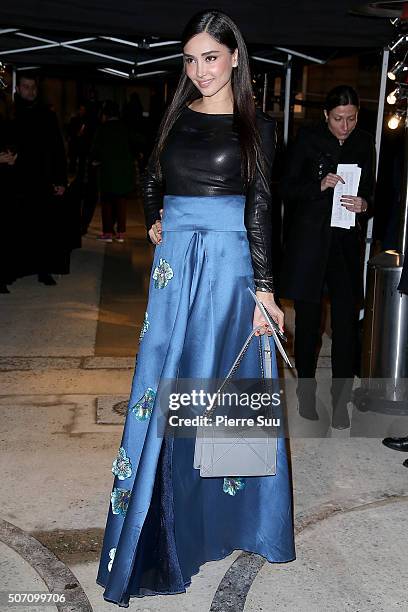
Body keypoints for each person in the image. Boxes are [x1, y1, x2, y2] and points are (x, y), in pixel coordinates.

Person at [96, 9, 295, 606]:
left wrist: (265, 289)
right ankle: (164, 512)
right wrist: (157, 217)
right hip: (174, 268)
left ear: (235, 56)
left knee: (224, 390)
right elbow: (151, 174)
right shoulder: (176, 116)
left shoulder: (255, 124)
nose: (200, 69)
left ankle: (234, 519)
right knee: (164, 386)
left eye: (211, 57)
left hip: (230, 268)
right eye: (190, 59)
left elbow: (260, 209)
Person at [280, 85, 376, 429]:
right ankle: (306, 394)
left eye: (351, 119)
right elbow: (286, 188)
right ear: (326, 115)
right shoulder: (306, 139)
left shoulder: (364, 142)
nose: (345, 126)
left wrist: (365, 204)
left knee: (347, 326)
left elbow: (373, 191)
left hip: (345, 245)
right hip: (309, 244)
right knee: (307, 324)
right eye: (338, 119)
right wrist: (319, 186)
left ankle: (340, 402)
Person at [13, 73, 67, 285]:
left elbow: (56, 149)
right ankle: (18, 267)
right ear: (18, 89)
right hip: (15, 181)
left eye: (33, 87)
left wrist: (60, 179)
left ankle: (43, 270)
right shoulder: (11, 113)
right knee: (18, 226)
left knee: (43, 227)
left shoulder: (46, 114)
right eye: (26, 87)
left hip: (42, 180)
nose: (30, 91)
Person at [91, 100, 135, 243]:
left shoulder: (103, 129)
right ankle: (121, 232)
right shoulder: (125, 127)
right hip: (124, 170)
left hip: (108, 171)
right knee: (121, 202)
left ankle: (108, 232)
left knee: (107, 202)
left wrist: (95, 160)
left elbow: (96, 150)